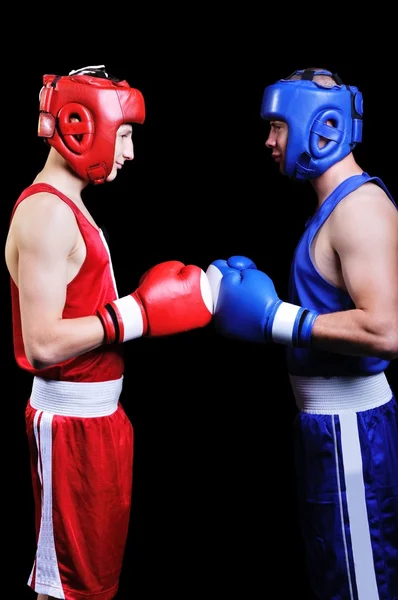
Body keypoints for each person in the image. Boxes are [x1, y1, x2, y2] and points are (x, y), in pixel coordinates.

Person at [5, 65, 213, 600]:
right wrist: (135, 315)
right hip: (69, 426)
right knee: (68, 588)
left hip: (99, 421)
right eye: (124, 135)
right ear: (82, 126)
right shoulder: (47, 215)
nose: (129, 152)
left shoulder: (70, 207)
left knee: (96, 583)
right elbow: (42, 343)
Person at [206, 68, 398, 599]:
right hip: (327, 429)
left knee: (361, 584)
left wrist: (276, 320)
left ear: (320, 126)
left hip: (352, 432)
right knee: (335, 577)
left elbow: (386, 330)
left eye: (277, 127)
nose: (269, 141)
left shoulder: (359, 210)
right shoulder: (333, 207)